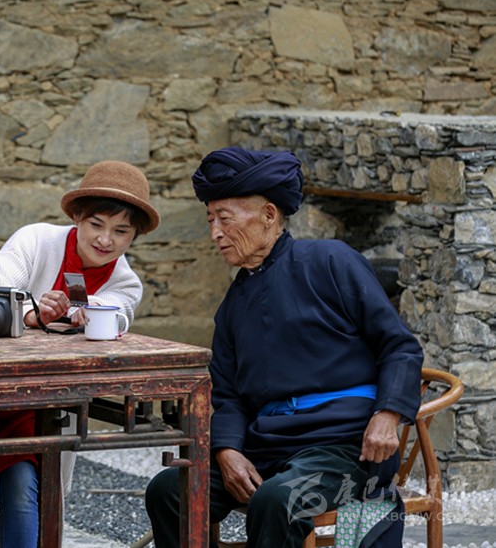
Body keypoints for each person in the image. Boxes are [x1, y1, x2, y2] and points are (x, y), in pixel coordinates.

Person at [144, 147, 424, 548]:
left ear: (269, 215)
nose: (215, 233)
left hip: (344, 446)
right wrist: (227, 450)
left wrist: (387, 414)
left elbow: (399, 347)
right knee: (169, 490)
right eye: (210, 220)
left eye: (225, 218)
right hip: (269, 445)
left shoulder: (331, 261)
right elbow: (228, 395)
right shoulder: (232, 307)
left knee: (277, 499)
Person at [0, 160, 161, 548]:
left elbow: (116, 316)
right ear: (77, 218)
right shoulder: (36, 241)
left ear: (134, 236)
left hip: (44, 411)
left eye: (121, 231)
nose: (106, 240)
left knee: (23, 492)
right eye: (96, 224)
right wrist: (30, 313)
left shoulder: (125, 282)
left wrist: (85, 312)